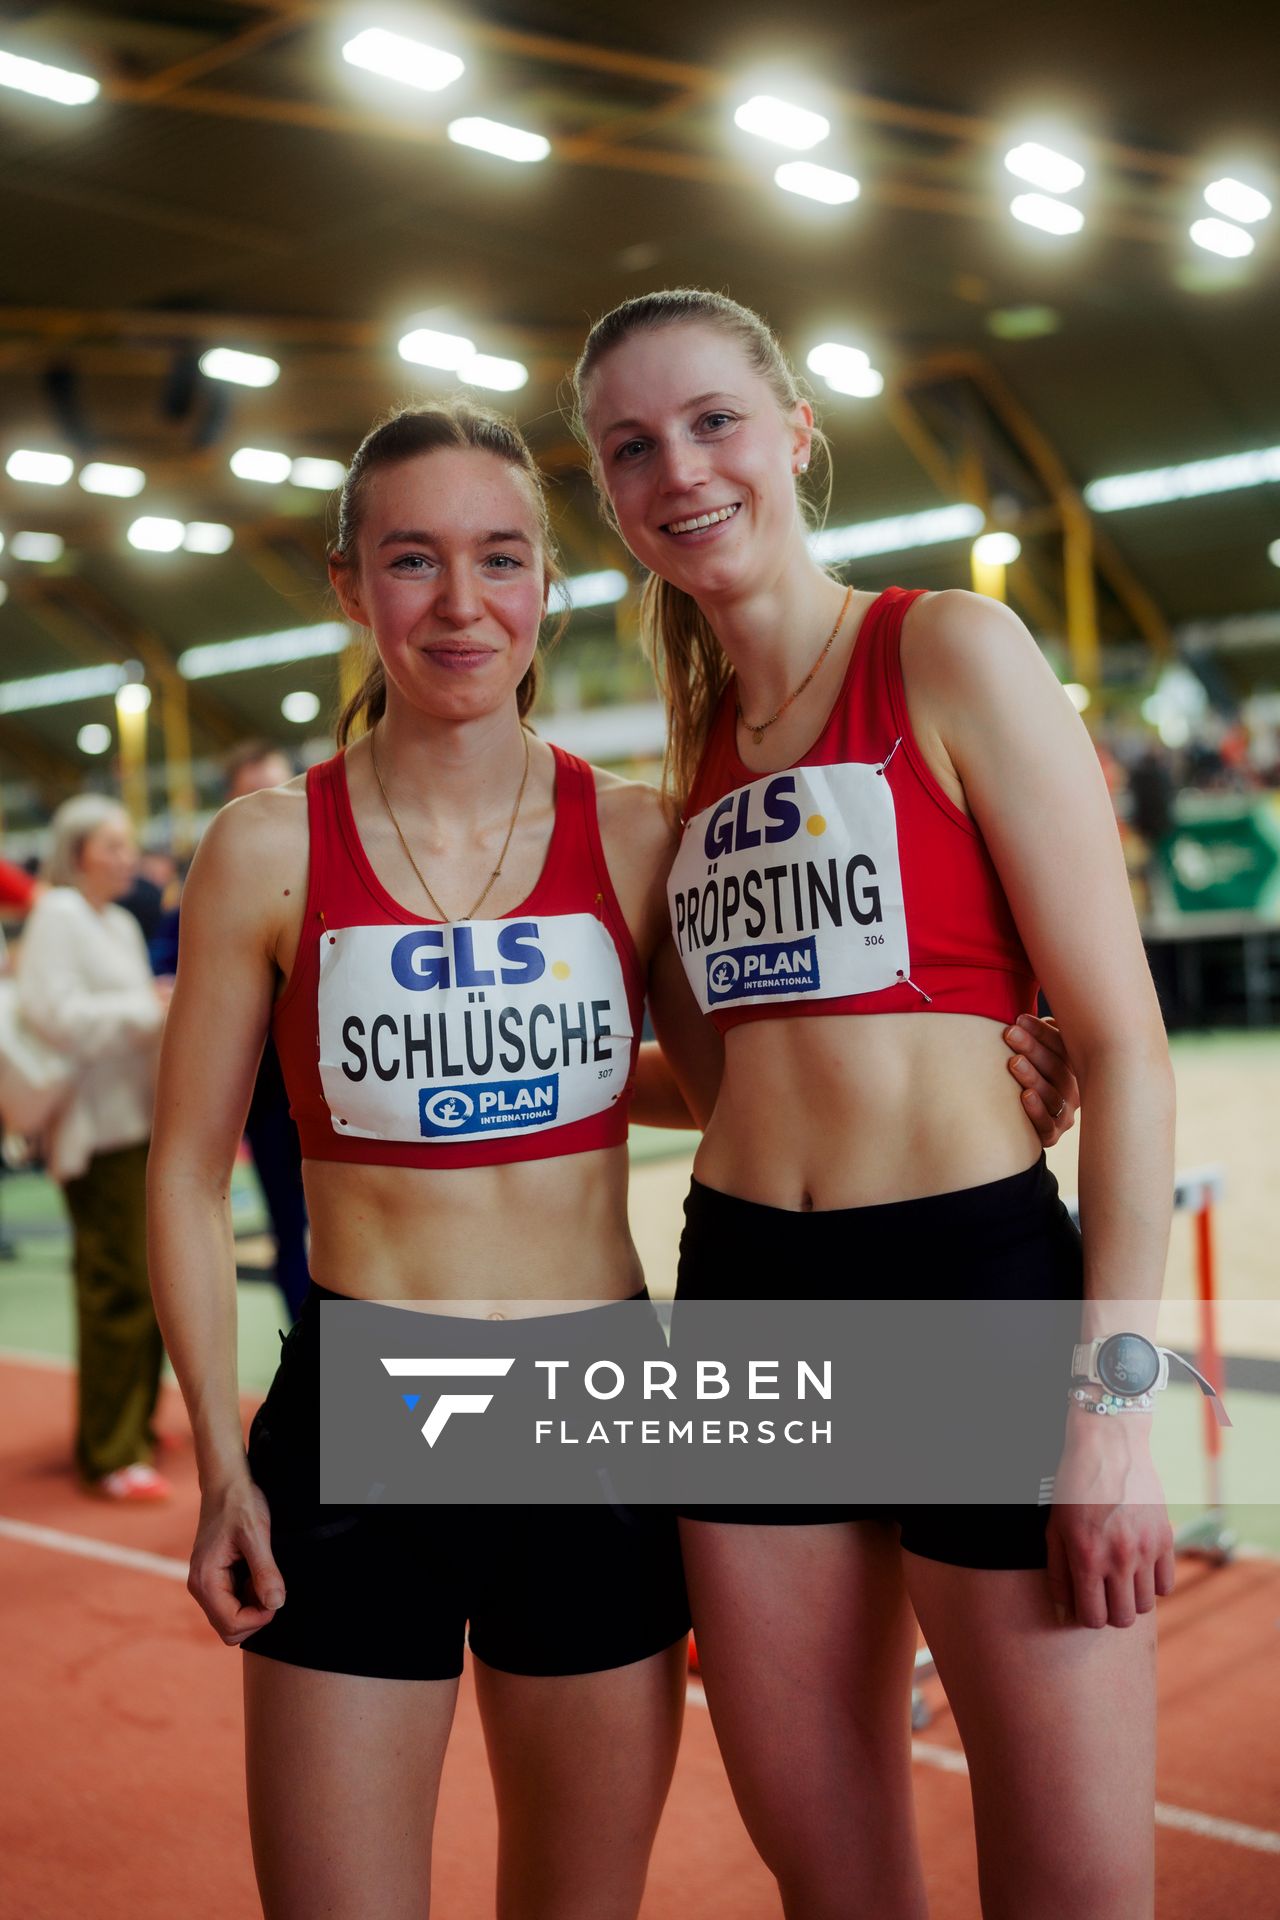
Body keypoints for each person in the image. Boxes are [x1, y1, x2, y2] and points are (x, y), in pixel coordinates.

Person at [147, 398, 1078, 1920]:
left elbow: (746, 1091)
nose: (462, 605)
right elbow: (184, 1175)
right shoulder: (266, 847)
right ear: (347, 585)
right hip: (367, 1408)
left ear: (547, 587)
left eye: (501, 559)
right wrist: (218, 1459)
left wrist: (981, 1092)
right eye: (413, 562)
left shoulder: (641, 834)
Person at [572, 289, 1175, 1920]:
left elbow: (1124, 1046)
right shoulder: (684, 770)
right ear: (608, 498)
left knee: (1073, 1888)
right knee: (832, 1877)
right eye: (632, 448)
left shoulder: (949, 648)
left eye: (711, 422)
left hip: (972, 1293)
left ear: (794, 434)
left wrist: (1117, 1412)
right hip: (749, 1300)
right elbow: (722, 1079)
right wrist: (482, 1107)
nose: (679, 470)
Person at [17, 796, 171, 1500]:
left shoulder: (115, 922)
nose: (126, 856)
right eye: (112, 844)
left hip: (138, 1122)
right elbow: (54, 1014)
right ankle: (111, 1451)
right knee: (119, 1287)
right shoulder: (58, 915)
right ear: (78, 851)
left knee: (152, 1283)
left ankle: (133, 1423)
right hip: (96, 1128)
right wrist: (149, 1009)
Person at [223, 742, 310, 1321]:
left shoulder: (336, 865)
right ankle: (316, 1372)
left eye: (280, 789)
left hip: (352, 1089)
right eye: (254, 794)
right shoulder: (216, 886)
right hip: (273, 1098)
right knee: (291, 1229)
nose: (270, 805)